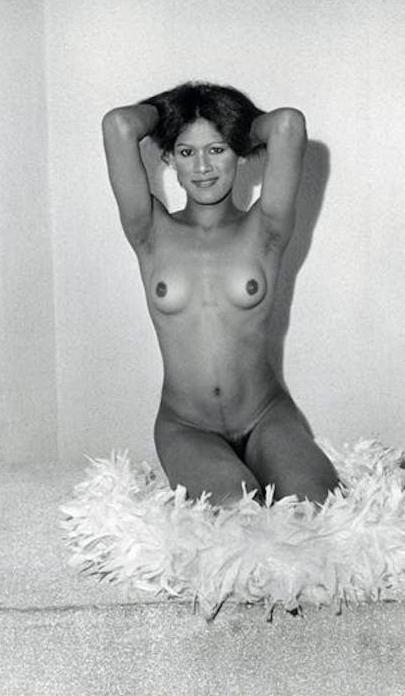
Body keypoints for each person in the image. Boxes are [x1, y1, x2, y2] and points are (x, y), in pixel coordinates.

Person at [101, 82, 339, 505]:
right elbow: (119, 125)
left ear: (240, 153)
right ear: (169, 158)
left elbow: (287, 125)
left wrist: (231, 122)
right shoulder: (150, 232)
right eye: (186, 152)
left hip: (266, 414)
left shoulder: (265, 229)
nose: (202, 167)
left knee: (317, 505)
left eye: (217, 149)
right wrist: (176, 110)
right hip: (186, 425)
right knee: (236, 509)